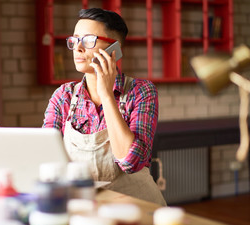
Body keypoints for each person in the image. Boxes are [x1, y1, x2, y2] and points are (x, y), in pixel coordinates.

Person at [42, 8, 166, 206]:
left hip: (137, 208)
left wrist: (107, 95)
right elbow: (47, 156)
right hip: (84, 207)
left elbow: (130, 162)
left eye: (89, 40)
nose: (78, 48)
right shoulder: (63, 96)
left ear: (113, 50)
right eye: (75, 40)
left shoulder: (142, 91)